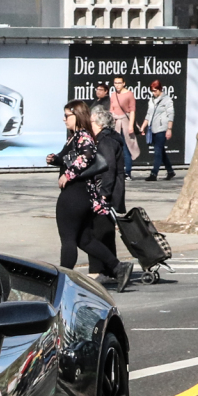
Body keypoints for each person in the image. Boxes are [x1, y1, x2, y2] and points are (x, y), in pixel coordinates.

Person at [47, 100, 133, 292]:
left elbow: (88, 154)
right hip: (80, 195)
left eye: (67, 115)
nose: (64, 119)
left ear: (77, 115)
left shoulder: (83, 136)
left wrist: (68, 175)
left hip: (74, 194)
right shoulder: (74, 136)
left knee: (68, 239)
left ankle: (62, 285)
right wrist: (56, 160)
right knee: (84, 240)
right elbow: (70, 158)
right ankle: (119, 268)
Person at [88, 104, 125, 280]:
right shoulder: (108, 139)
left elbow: (108, 169)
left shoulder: (106, 141)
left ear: (99, 123)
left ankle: (99, 270)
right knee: (106, 231)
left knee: (97, 232)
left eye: (91, 121)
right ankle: (111, 269)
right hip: (108, 191)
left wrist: (103, 194)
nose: (89, 124)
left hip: (105, 192)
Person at [140, 79, 176, 181]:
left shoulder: (167, 100)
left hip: (162, 128)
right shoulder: (151, 100)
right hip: (153, 128)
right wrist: (143, 127)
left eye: (155, 90)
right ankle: (170, 171)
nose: (154, 93)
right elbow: (148, 115)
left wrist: (169, 129)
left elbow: (170, 115)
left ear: (160, 89)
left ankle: (154, 173)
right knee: (161, 151)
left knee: (157, 151)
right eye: (152, 90)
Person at [109, 75, 139, 179]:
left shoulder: (129, 94)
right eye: (115, 83)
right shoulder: (113, 95)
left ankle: (128, 172)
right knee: (117, 148)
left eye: (119, 83)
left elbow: (132, 110)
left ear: (123, 83)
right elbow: (111, 110)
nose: (117, 85)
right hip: (116, 122)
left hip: (125, 122)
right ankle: (118, 171)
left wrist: (131, 125)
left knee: (127, 147)